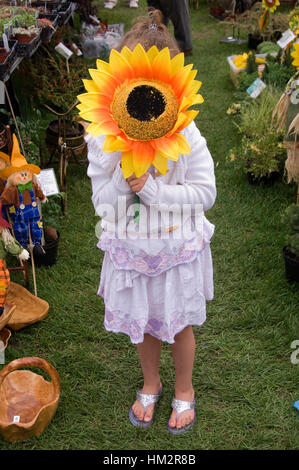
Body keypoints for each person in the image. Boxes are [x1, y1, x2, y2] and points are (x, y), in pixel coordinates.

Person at [84, 10, 216, 433]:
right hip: (132, 247)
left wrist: (155, 192)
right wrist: (125, 183)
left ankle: (184, 388)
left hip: (175, 248)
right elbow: (102, 205)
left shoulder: (186, 133)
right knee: (143, 324)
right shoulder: (104, 139)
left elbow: (205, 193)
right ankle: (151, 381)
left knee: (178, 325)